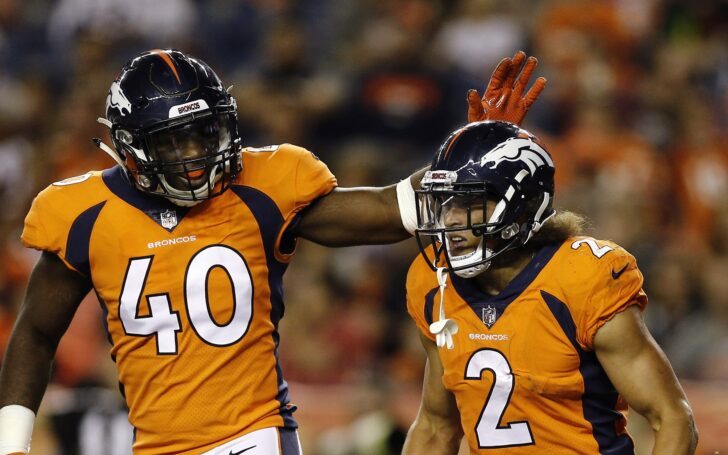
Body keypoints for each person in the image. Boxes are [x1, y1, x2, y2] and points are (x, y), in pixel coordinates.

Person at [0, 49, 545, 455]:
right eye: (174, 142)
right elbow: (36, 332)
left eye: (203, 134)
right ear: (129, 146)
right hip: (154, 443)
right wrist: (13, 444)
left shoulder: (263, 187)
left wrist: (478, 154)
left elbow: (393, 210)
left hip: (255, 436)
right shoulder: (81, 213)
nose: (194, 156)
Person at [402, 121, 698, 454]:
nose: (451, 220)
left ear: (522, 206)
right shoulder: (435, 283)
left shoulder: (580, 277)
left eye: (469, 203)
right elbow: (434, 426)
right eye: (446, 203)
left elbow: (671, 417)